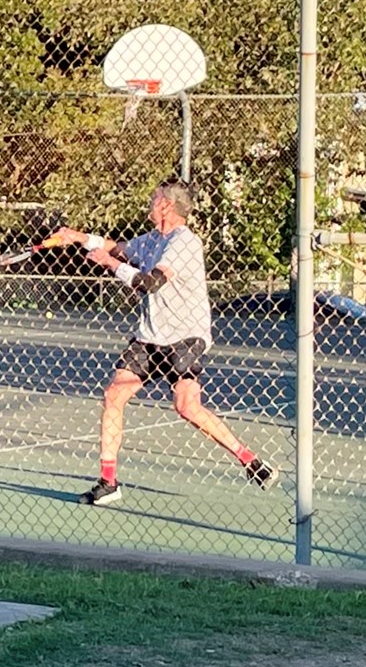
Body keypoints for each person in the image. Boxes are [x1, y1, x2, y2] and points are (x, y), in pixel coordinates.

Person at [47, 178, 274, 506]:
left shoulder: (183, 243)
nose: (150, 203)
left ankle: (250, 460)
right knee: (114, 395)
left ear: (166, 205)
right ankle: (108, 483)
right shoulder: (151, 239)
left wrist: (110, 265)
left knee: (186, 406)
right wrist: (76, 237)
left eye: (154, 199)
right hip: (150, 335)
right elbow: (117, 247)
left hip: (185, 337)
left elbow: (148, 282)